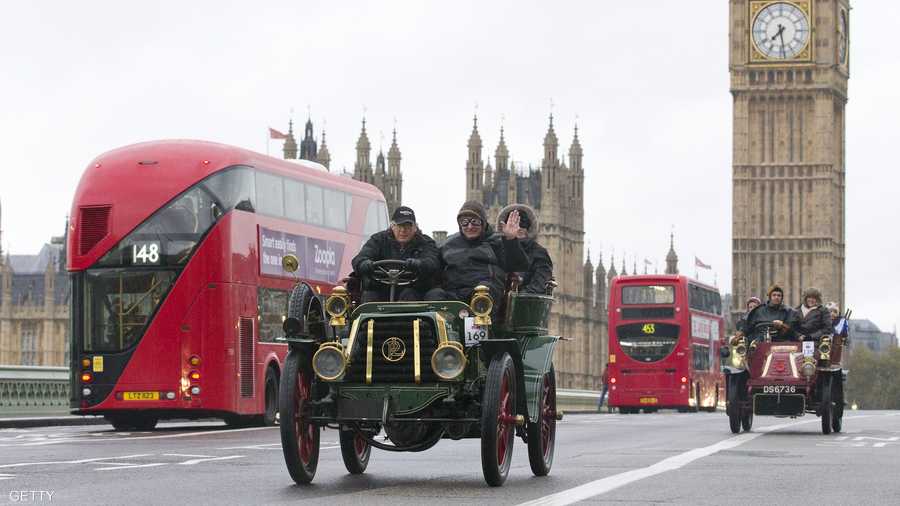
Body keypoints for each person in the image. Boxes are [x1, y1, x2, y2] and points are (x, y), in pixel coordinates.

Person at [425, 200, 529, 305]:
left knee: (483, 292)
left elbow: (518, 266)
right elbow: (435, 269)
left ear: (483, 222)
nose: (470, 227)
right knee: (434, 294)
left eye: (475, 222)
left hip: (483, 291)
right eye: (464, 222)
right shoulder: (449, 244)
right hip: (454, 293)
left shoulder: (497, 242)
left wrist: (511, 240)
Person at [351, 206, 439, 302]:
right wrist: (365, 263)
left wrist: (419, 264)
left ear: (415, 228)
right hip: (381, 289)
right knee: (369, 295)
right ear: (392, 226)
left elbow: (433, 261)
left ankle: (408, 317)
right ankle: (370, 317)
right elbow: (360, 258)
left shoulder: (426, 242)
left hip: (413, 290)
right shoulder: (378, 240)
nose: (403, 230)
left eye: (407, 226)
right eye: (399, 226)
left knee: (410, 295)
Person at [497, 204, 553, 294]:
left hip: (526, 303)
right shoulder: (494, 249)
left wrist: (519, 297)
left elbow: (540, 281)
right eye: (511, 224)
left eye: (521, 224)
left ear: (527, 229)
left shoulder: (538, 253)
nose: (517, 228)